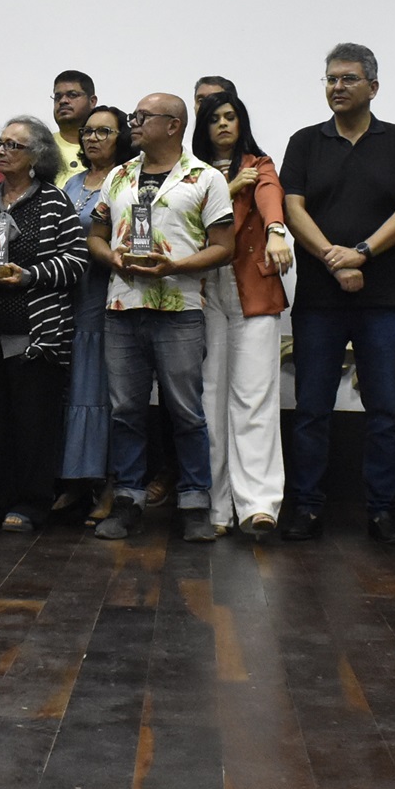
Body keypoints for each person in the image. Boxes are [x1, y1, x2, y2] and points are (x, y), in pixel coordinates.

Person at [278, 45, 395, 543]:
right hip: (319, 300)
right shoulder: (305, 141)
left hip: (383, 299)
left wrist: (362, 252)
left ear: (373, 87)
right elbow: (293, 209)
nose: (337, 87)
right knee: (311, 409)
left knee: (386, 409)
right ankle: (306, 508)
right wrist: (333, 258)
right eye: (330, 79)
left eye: (348, 79)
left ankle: (383, 511)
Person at [90, 94, 234, 542]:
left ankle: (194, 504)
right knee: (125, 412)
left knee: (186, 412)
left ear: (173, 125)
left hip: (179, 310)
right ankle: (128, 501)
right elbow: (95, 235)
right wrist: (112, 258)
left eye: (142, 117)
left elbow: (224, 247)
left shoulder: (206, 178)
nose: (133, 123)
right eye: (133, 117)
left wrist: (174, 267)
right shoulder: (118, 176)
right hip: (122, 308)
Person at [0, 116, 88, 531]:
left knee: (32, 423)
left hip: (36, 335)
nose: (2, 151)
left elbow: (76, 261)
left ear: (37, 155)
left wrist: (29, 275)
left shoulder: (54, 202)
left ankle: (30, 503)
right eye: (0, 143)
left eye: (13, 145)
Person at [193, 89, 291, 539]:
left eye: (230, 116)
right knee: (209, 398)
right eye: (215, 118)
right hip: (201, 291)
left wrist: (276, 230)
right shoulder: (190, 172)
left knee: (255, 397)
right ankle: (217, 507)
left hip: (252, 289)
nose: (223, 124)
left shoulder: (259, 164)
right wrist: (226, 189)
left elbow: (269, 194)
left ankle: (259, 505)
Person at [61, 105, 134, 524]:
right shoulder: (72, 182)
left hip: (106, 294)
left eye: (103, 132)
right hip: (65, 298)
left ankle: (109, 484)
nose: (92, 138)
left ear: (121, 137)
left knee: (101, 392)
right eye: (88, 131)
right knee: (72, 390)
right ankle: (75, 481)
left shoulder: (126, 180)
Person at [50, 70, 96, 184]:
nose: (63, 101)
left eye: (72, 95)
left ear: (92, 101)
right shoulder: (42, 147)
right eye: (57, 97)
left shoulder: (106, 147)